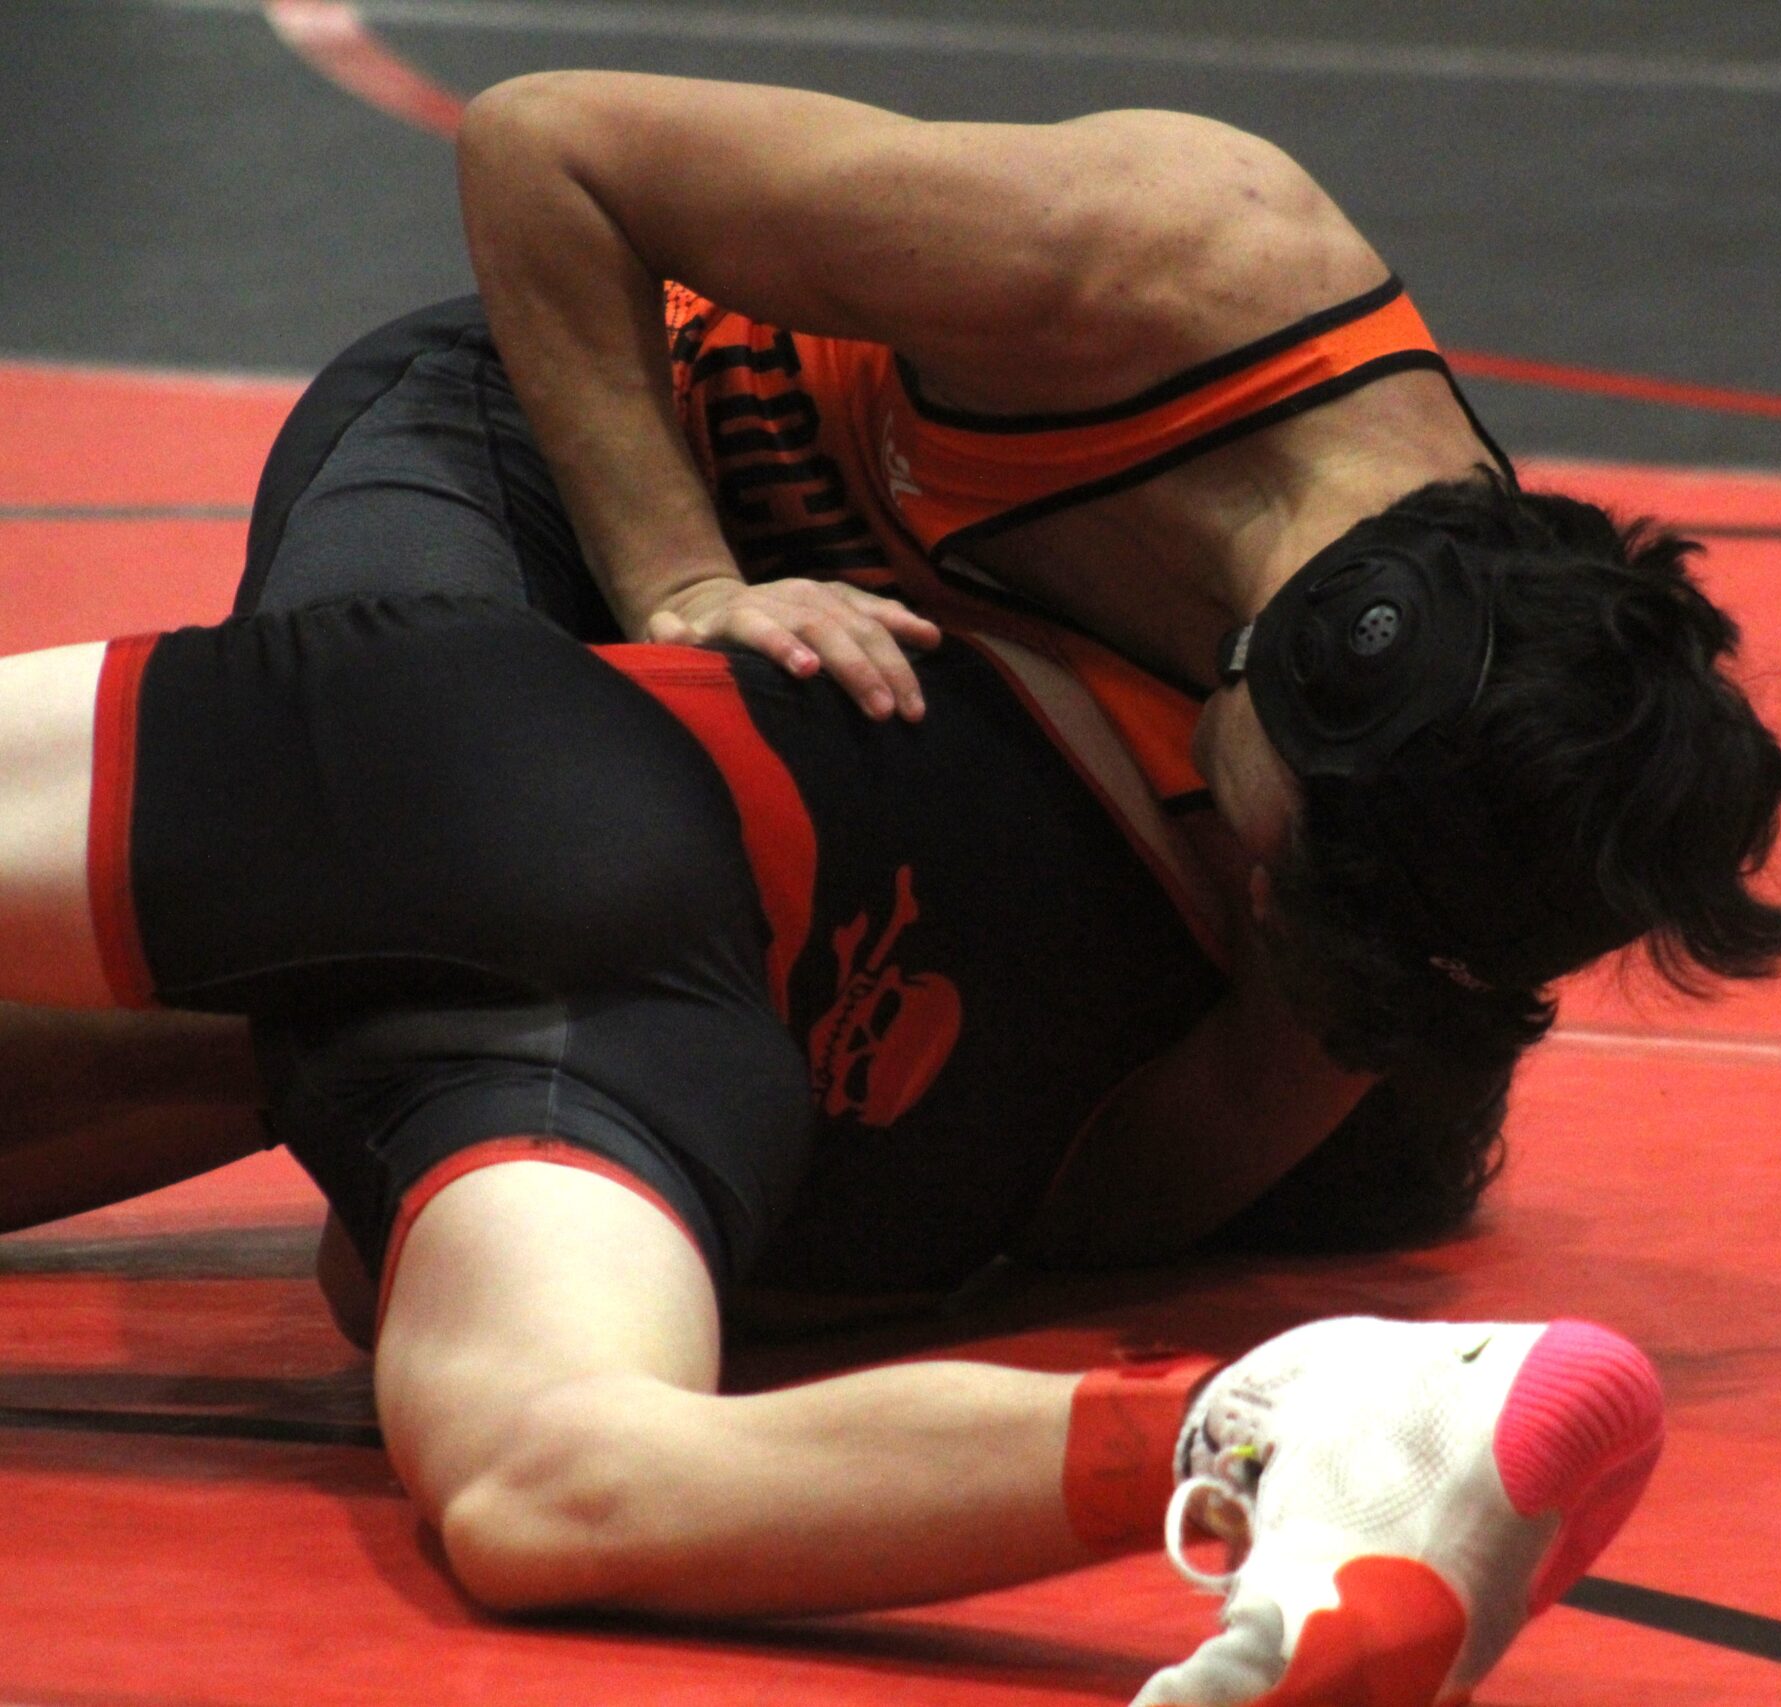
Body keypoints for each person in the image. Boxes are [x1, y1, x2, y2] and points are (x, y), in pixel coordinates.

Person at [0, 586, 1664, 1705]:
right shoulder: (1153, 1137)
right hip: (662, 1041)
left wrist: (677, 560)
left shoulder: (1179, 616)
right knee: (548, 1476)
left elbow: (561, 177)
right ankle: (1275, 1431)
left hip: (526, 760)